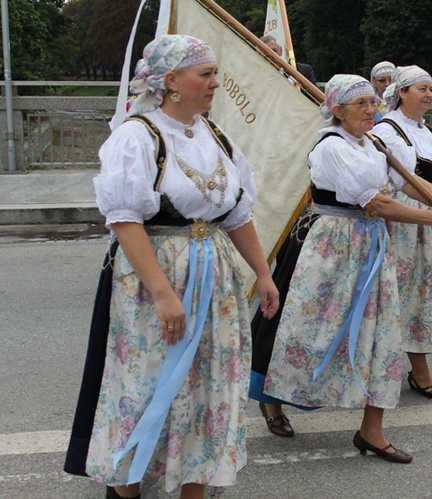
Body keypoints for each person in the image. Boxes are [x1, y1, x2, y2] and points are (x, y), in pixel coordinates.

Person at [63, 35, 279, 498]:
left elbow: (237, 214)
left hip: (214, 274)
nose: (216, 83)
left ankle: (193, 487)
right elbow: (124, 219)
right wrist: (163, 293)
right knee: (146, 381)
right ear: (172, 82)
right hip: (156, 279)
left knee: (209, 384)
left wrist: (262, 273)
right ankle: (127, 487)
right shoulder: (137, 135)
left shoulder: (214, 135)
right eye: (206, 74)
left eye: (215, 74)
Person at [263, 74, 432, 463]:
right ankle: (274, 398)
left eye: (372, 102)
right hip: (334, 245)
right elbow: (376, 202)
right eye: (359, 103)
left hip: (371, 243)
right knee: (313, 332)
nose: (369, 109)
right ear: (337, 110)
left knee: (381, 334)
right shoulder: (331, 146)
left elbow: (405, 183)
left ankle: (371, 431)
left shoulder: (372, 141)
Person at [372, 65, 432, 400]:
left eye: (431, 89)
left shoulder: (425, 130)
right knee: (407, 293)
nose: (429, 95)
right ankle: (411, 369)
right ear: (402, 93)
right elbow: (406, 181)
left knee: (425, 294)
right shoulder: (388, 131)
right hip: (410, 223)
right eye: (421, 89)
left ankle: (414, 366)